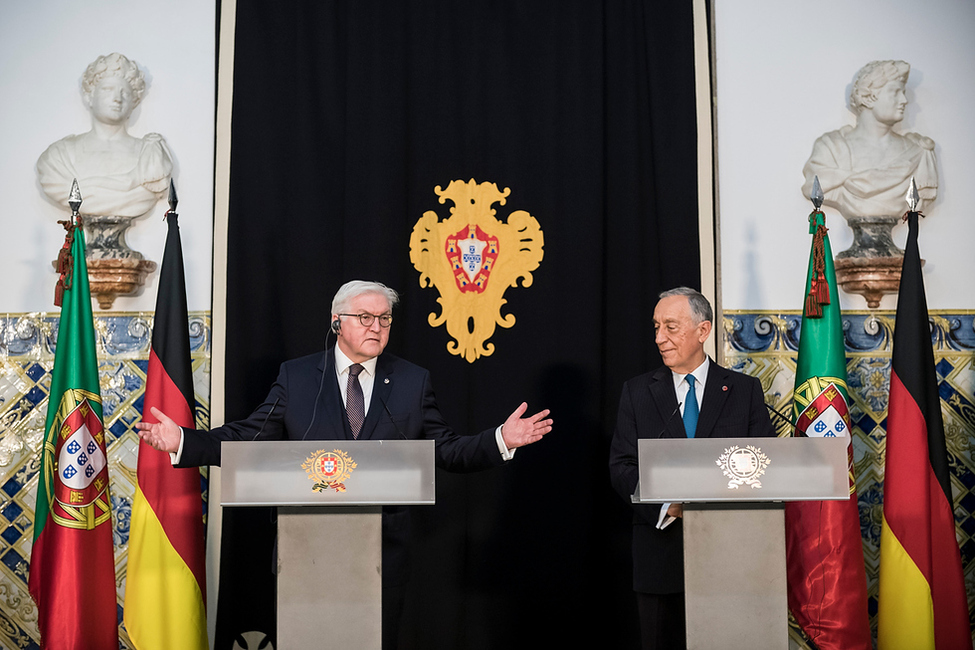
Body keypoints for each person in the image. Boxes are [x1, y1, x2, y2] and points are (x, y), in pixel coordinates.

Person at [137, 279, 553, 648]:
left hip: (382, 553)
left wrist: (499, 439)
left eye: (385, 319)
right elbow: (249, 435)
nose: (376, 326)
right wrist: (184, 442)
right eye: (365, 317)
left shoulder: (411, 380)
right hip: (306, 550)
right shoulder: (297, 377)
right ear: (337, 321)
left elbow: (444, 449)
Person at [608, 287, 774, 650]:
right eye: (655, 328)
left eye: (670, 326)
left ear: (703, 331)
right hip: (660, 558)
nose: (659, 338)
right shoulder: (637, 393)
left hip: (733, 559)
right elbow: (621, 466)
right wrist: (669, 506)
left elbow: (765, 464)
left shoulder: (744, 391)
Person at [37, 52, 173, 218]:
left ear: (134, 101)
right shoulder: (59, 156)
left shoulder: (150, 155)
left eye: (125, 92)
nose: (117, 98)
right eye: (108, 89)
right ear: (89, 96)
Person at [801, 59, 937, 219]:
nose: (904, 101)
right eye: (895, 92)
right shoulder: (831, 148)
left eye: (904, 93)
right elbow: (813, 185)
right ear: (867, 98)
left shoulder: (918, 151)